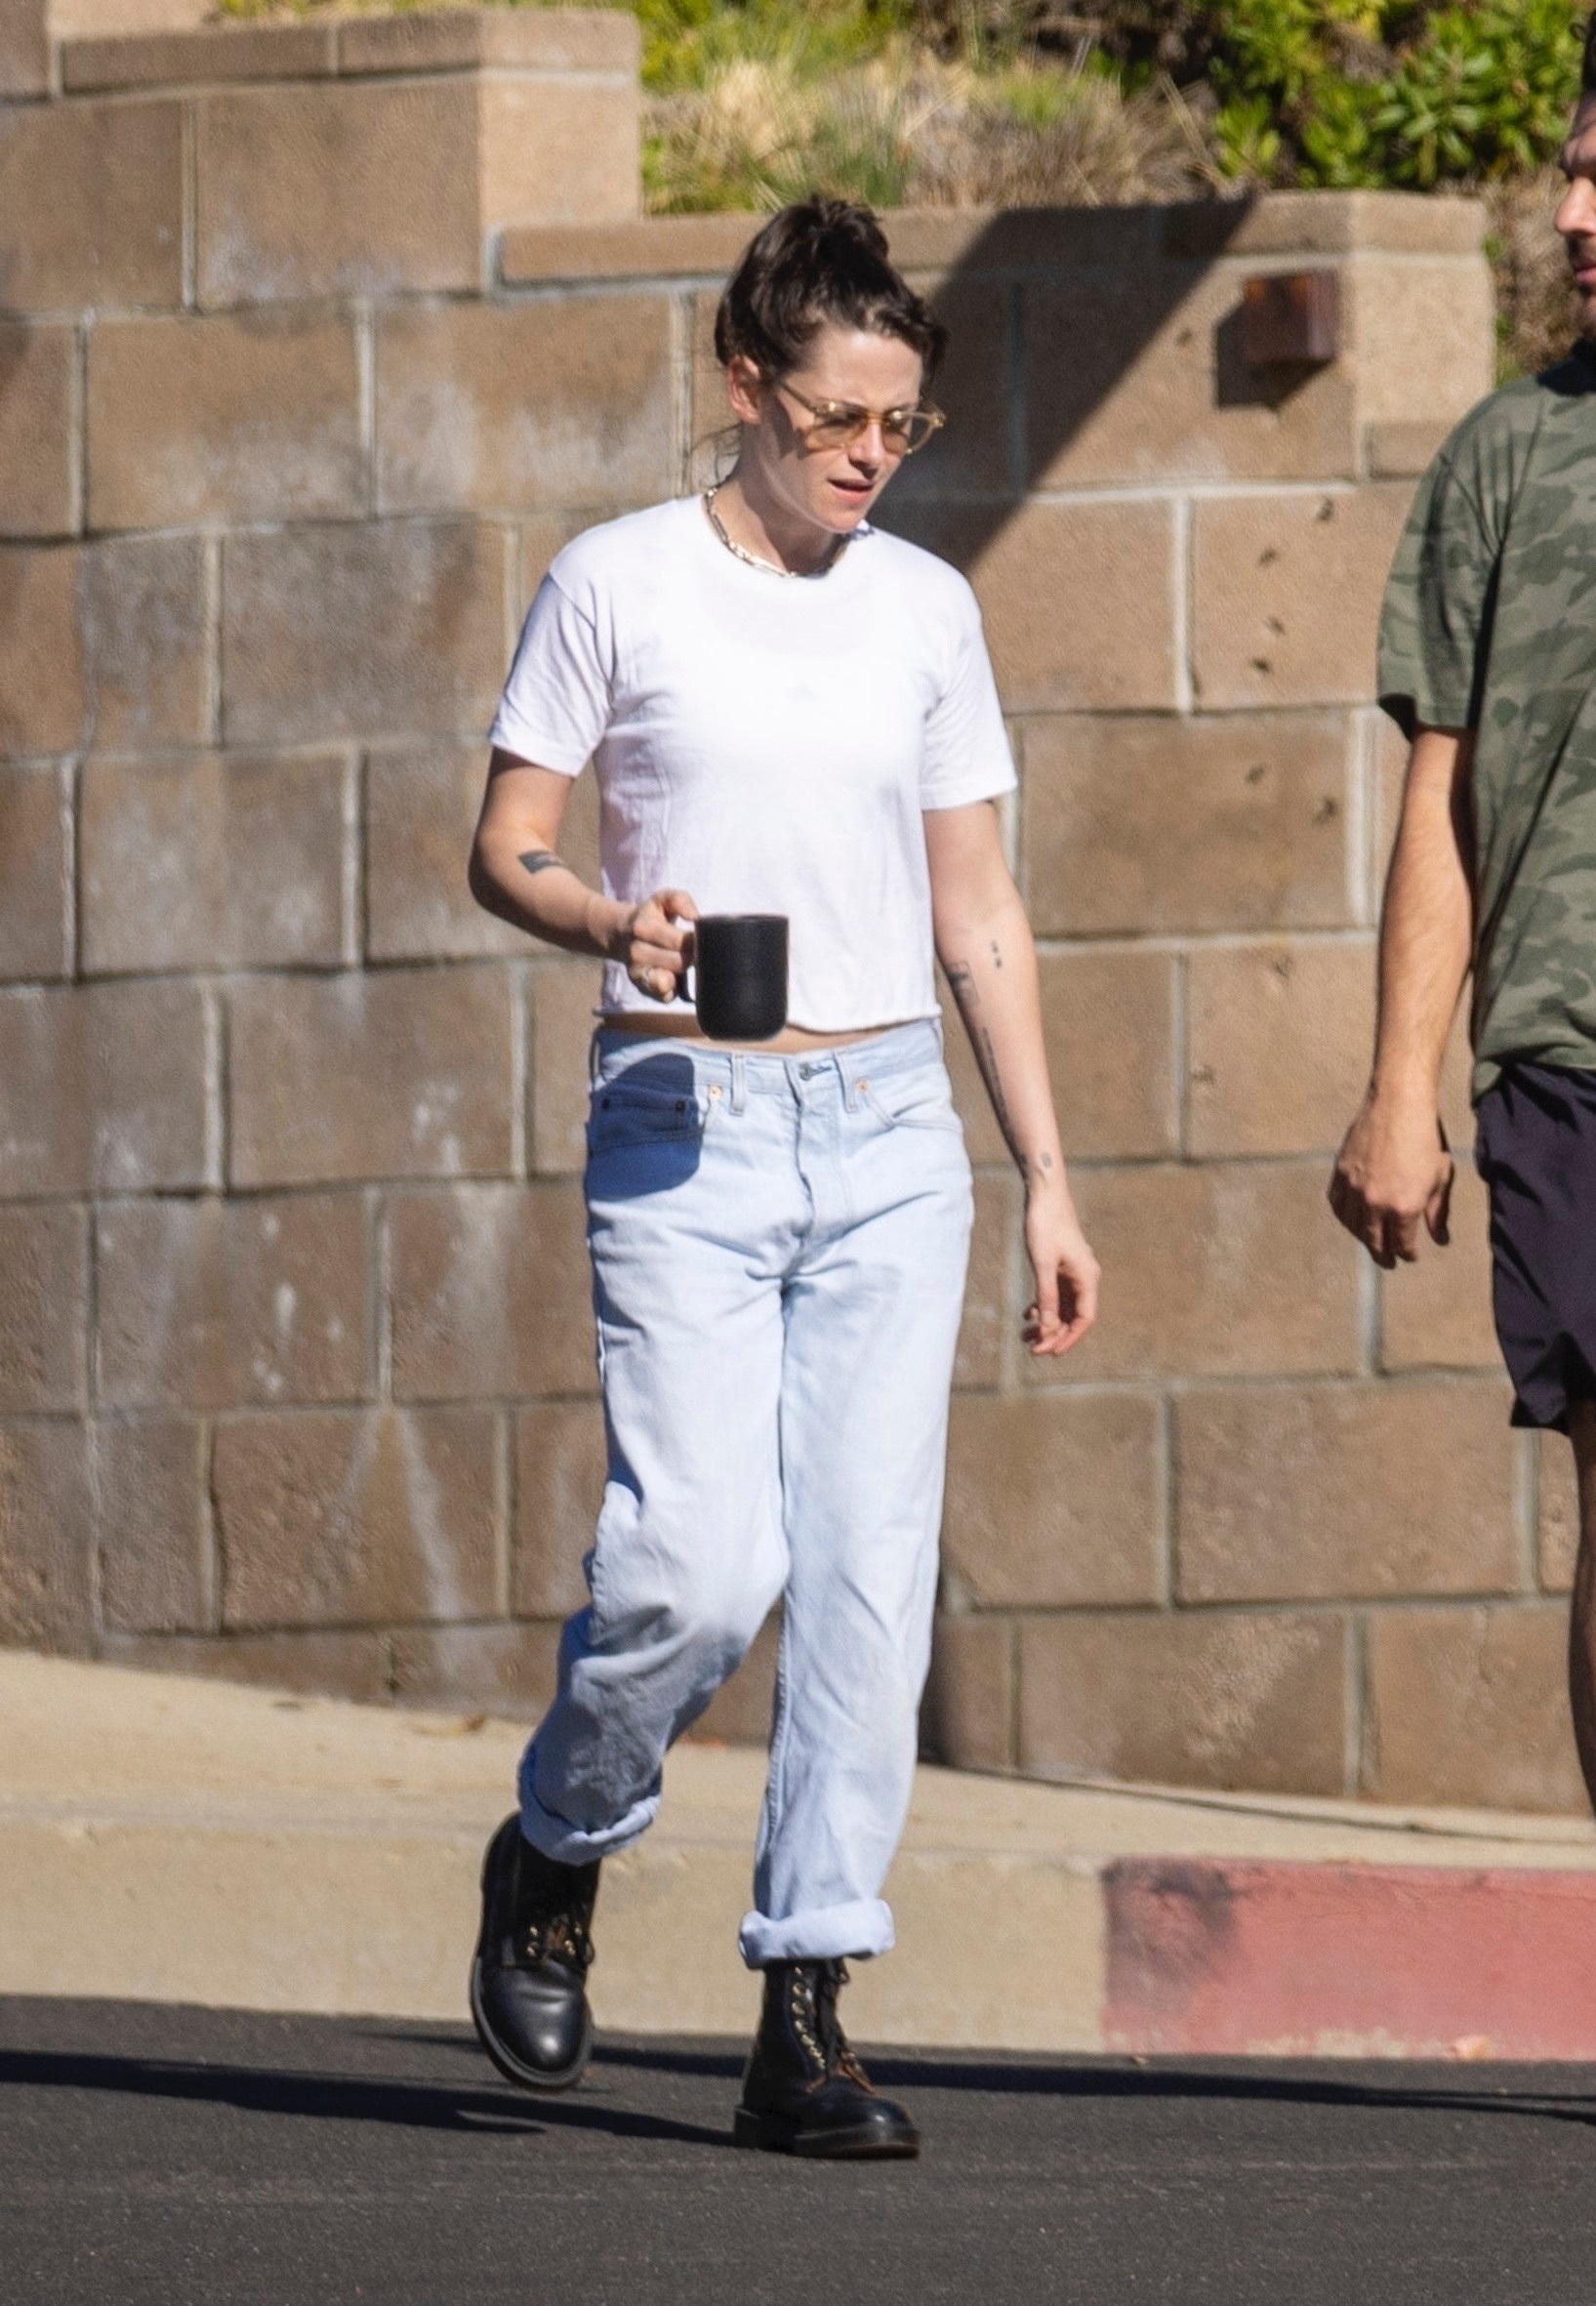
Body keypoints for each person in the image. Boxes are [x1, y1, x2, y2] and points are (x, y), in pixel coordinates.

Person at [465, 198, 1099, 2160]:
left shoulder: (924, 611)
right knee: (694, 1563)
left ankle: (806, 2007)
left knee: (864, 1574)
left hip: (891, 1130)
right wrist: (608, 923)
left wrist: (1046, 1173)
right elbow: (506, 840)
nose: (868, 455)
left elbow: (976, 907)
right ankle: (559, 1836)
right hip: (685, 1119)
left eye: (899, 425)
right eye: (837, 416)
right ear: (744, 385)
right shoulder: (616, 582)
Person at [1330, 16, 1596, 1812]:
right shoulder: (1506, 457)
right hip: (1572, 1056)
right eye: (1571, 170)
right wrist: (1396, 1087)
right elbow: (1443, 789)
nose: (1572, 212)